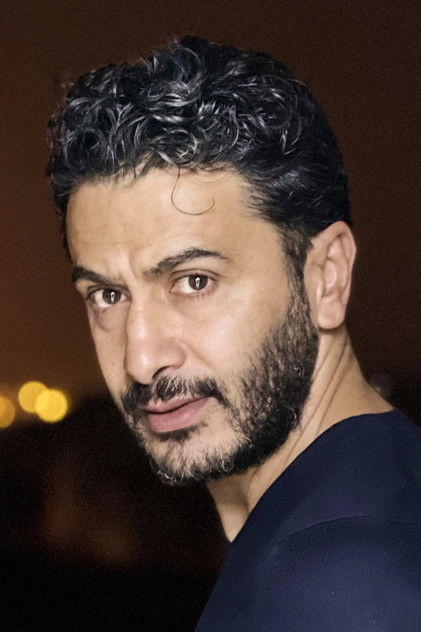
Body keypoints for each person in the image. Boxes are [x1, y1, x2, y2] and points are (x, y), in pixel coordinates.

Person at [47, 37, 421, 630]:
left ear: (327, 277)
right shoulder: (372, 490)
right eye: (108, 295)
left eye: (194, 281)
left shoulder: (339, 583)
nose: (141, 359)